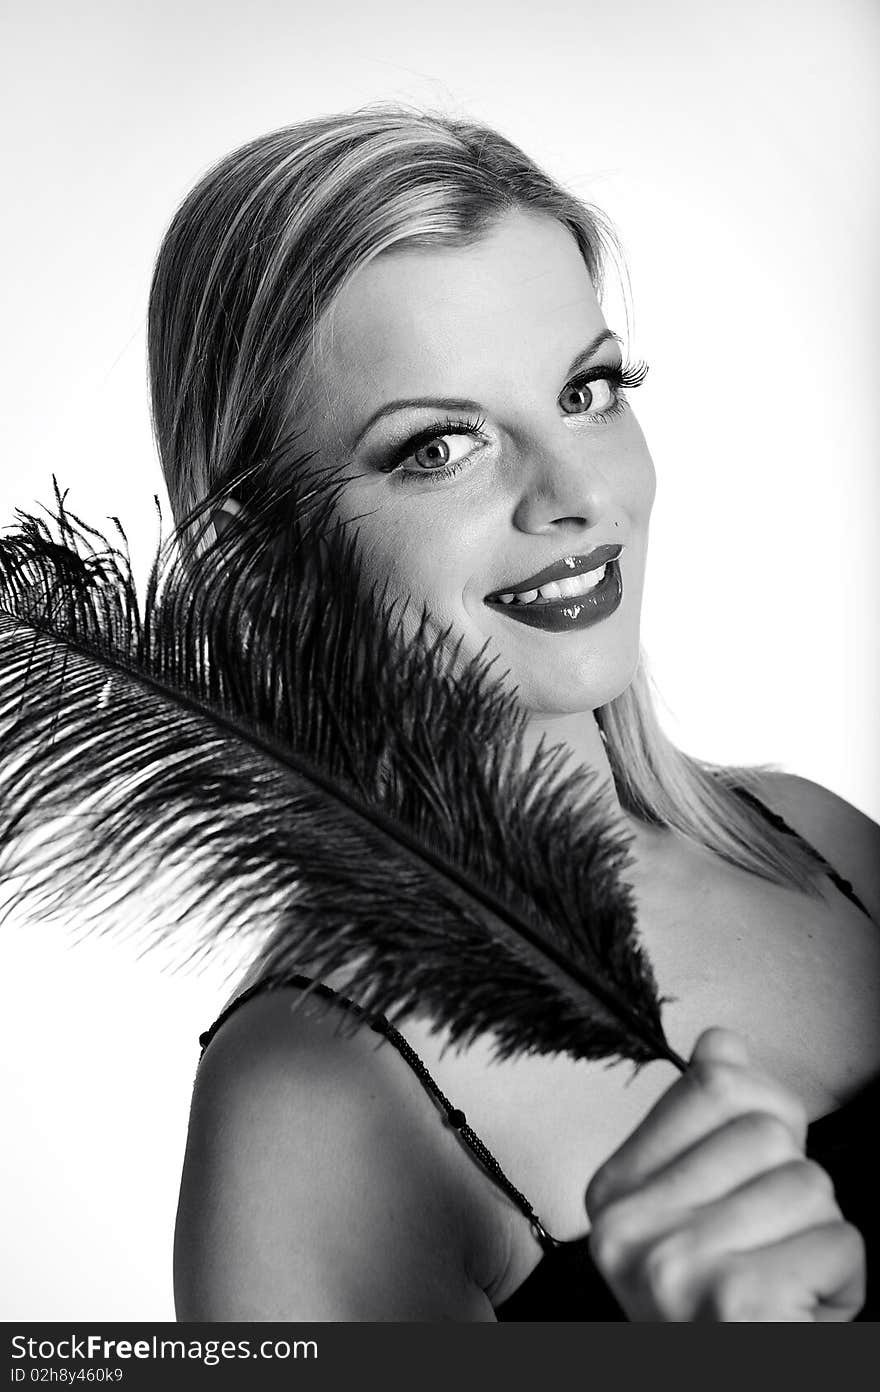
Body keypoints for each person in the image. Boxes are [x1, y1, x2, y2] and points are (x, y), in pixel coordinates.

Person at [149, 106, 880, 1321]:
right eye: (440, 446)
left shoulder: (819, 845)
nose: (580, 494)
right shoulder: (307, 1103)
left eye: (589, 390)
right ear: (256, 562)